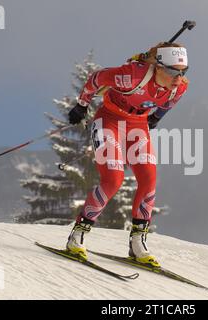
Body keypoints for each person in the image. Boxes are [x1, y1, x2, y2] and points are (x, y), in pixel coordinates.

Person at [65, 42, 189, 267]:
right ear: (158, 67)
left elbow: (168, 104)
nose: (178, 78)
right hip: (109, 120)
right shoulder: (131, 76)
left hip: (138, 125)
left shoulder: (179, 87)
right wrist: (82, 105)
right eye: (172, 71)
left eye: (183, 72)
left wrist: (155, 118)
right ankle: (77, 235)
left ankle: (137, 243)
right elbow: (96, 78)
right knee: (113, 178)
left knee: (149, 178)